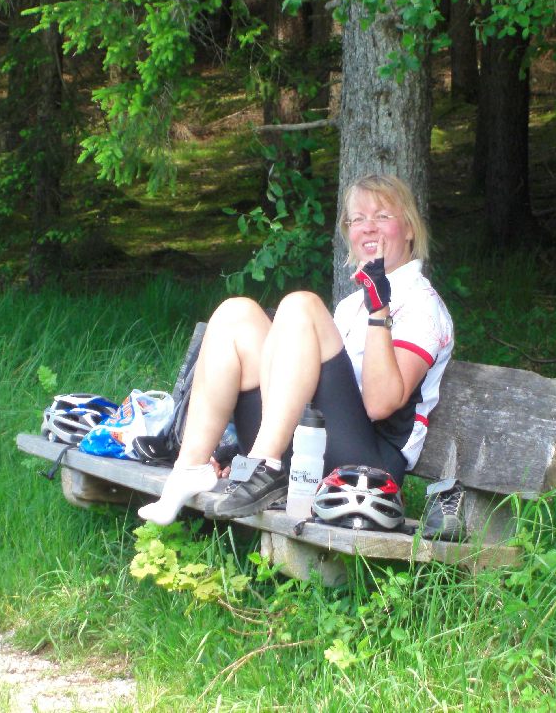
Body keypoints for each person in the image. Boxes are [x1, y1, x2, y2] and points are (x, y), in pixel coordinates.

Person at [137, 173, 454, 525]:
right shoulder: (350, 306)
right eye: (358, 219)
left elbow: (379, 405)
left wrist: (380, 310)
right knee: (235, 314)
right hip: (307, 446)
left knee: (301, 305)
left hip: (366, 472)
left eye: (382, 216)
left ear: (409, 228)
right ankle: (191, 468)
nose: (368, 227)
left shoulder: (422, 306)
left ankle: (262, 466)